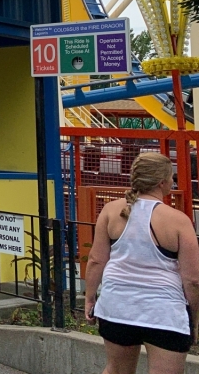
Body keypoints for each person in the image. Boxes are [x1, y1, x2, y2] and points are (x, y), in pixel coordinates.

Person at [87, 153, 199, 374]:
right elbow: (193, 280)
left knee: (117, 370)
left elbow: (96, 260)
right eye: (171, 177)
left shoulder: (110, 211)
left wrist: (90, 299)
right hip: (163, 313)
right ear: (162, 182)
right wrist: (194, 319)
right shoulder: (178, 221)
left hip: (116, 307)